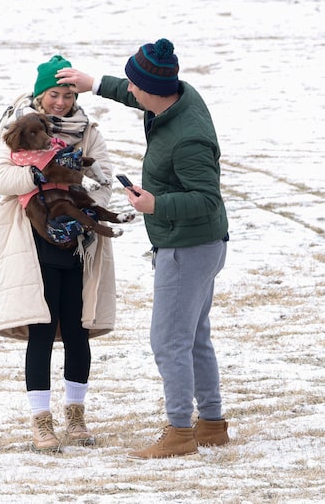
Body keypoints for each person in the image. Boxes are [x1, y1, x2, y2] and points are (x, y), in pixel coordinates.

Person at [56, 38, 231, 459]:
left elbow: (207, 197)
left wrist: (156, 204)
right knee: (194, 337)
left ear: (151, 89)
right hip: (204, 244)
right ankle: (211, 424)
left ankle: (179, 433)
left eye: (134, 87)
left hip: (186, 247)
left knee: (169, 340)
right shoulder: (178, 97)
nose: (128, 92)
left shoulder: (187, 137)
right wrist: (93, 83)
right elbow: (133, 89)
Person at [0, 55, 118, 453]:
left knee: (79, 329)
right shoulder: (18, 129)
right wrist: (44, 172)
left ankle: (76, 417)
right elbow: (1, 179)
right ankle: (41, 423)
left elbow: (105, 179)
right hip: (32, 241)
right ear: (40, 94)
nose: (60, 102)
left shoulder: (89, 132)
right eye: (53, 94)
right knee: (41, 329)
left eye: (68, 94)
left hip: (78, 242)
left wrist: (79, 203)